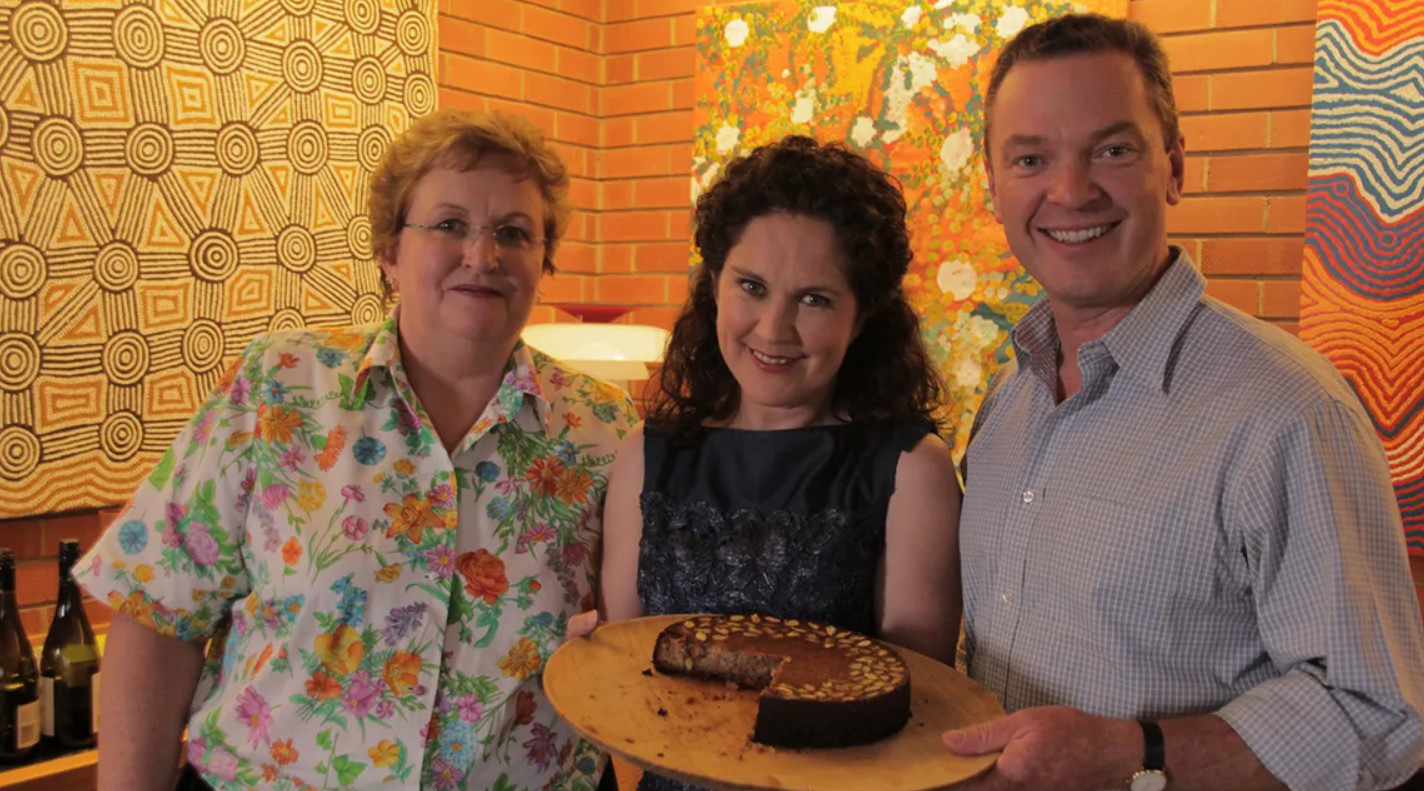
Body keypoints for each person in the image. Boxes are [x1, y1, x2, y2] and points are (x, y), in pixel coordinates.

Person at [76, 109, 638, 791]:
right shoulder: (280, 386)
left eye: (514, 233)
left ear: (543, 261)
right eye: (449, 224)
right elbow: (157, 610)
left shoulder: (602, 429)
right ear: (389, 252)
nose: (482, 255)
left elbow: (629, 635)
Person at [942, 13, 1424, 791]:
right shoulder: (1007, 398)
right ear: (994, 188)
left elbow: (1378, 715)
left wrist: (1133, 754)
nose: (1070, 190)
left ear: (1173, 166)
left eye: (1113, 149)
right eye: (1031, 158)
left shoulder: (1288, 412)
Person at [587, 135, 962, 791]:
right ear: (713, 284)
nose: (773, 329)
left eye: (814, 298)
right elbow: (627, 668)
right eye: (752, 287)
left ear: (863, 313)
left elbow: (913, 710)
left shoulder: (911, 470)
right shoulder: (646, 455)